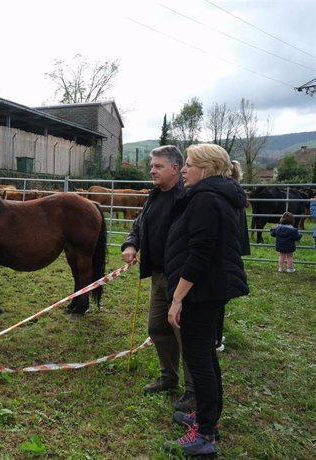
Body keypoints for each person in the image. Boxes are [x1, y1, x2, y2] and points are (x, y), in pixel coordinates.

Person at [164, 144, 249, 457]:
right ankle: (206, 418)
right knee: (206, 357)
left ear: (206, 168)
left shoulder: (204, 198)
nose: (184, 170)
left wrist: (177, 298)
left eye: (188, 164)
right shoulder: (218, 195)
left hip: (201, 293)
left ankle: (205, 435)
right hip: (211, 290)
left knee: (199, 360)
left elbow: (200, 253)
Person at [121, 145, 195, 412]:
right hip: (157, 275)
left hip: (181, 279)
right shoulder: (153, 196)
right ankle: (168, 378)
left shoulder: (188, 198)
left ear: (175, 169)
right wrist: (131, 245)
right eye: (151, 165)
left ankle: (193, 390)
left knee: (184, 334)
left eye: (158, 166)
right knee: (157, 328)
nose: (152, 170)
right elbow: (139, 225)